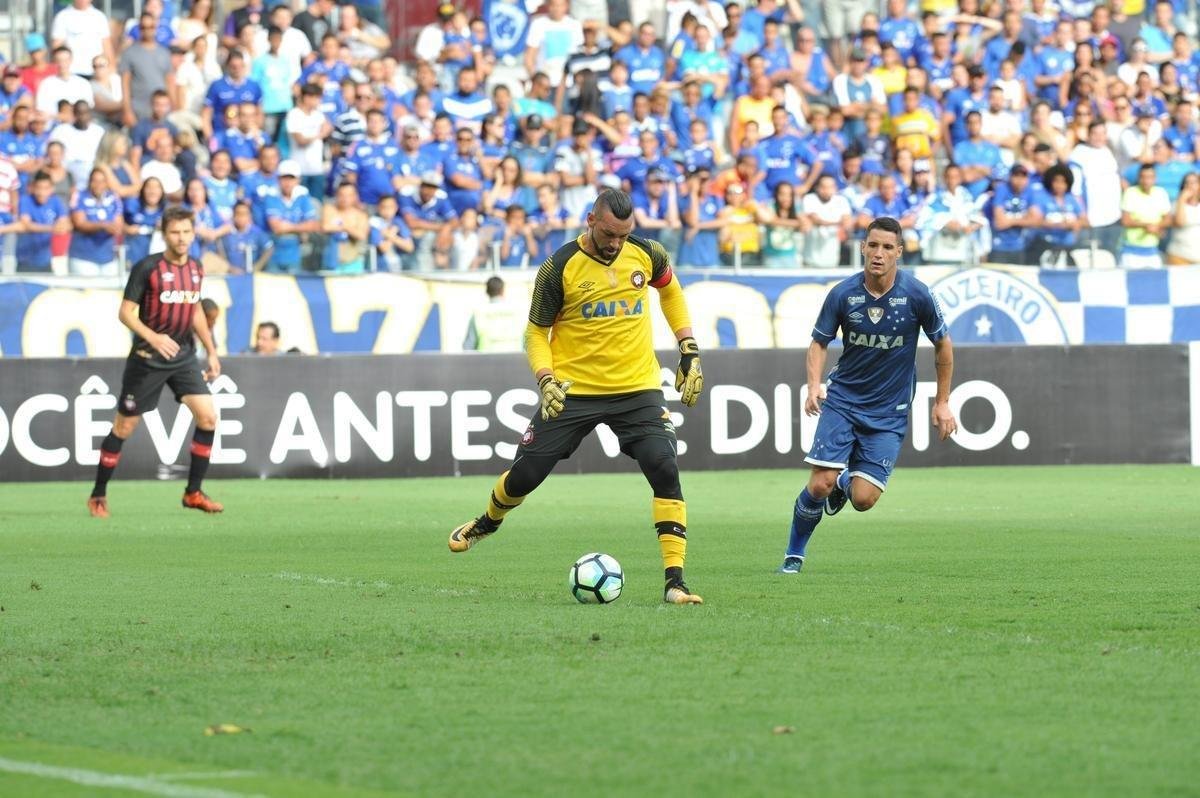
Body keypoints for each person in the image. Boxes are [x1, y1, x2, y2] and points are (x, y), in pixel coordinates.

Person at [448, 189, 706, 606]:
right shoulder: (559, 268)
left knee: (664, 466)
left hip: (636, 388)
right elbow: (536, 332)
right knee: (527, 474)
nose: (616, 244)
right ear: (590, 220)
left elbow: (671, 292)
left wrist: (688, 347)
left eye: (624, 236)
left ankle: (675, 581)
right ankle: (487, 522)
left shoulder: (648, 253)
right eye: (609, 234)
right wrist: (545, 378)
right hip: (573, 391)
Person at [778, 216, 957, 574]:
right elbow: (818, 343)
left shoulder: (918, 295)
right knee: (819, 484)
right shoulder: (843, 294)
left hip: (889, 410)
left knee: (863, 499)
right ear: (862, 247)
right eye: (872, 245)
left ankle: (846, 482)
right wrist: (814, 385)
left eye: (887, 247)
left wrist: (942, 402)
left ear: (899, 253)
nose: (878, 253)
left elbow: (943, 346)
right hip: (843, 400)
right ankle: (793, 556)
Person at [87, 206, 223, 519]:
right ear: (165, 234)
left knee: (208, 417)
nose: (182, 238)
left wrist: (212, 351)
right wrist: (155, 336)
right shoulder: (147, 267)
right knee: (124, 427)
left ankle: (193, 493)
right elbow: (125, 313)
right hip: (148, 359)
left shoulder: (196, 268)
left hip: (183, 358)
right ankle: (98, 494)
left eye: (187, 231)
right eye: (176, 232)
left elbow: (196, 311)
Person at [463, 276, 525, 352]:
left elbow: (468, 348)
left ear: (487, 292)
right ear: (502, 291)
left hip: (485, 362)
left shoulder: (478, 314)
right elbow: (528, 344)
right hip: (515, 362)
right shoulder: (518, 312)